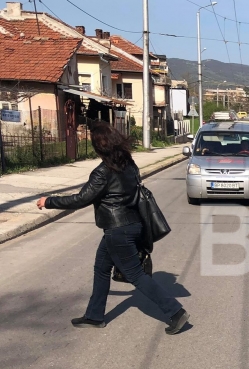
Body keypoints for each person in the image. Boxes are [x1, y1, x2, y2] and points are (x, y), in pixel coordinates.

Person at [35, 121, 189, 335]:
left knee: (136, 276)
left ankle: (176, 312)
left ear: (99, 147)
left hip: (118, 230)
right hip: (129, 225)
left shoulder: (103, 172)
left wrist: (49, 201)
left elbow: (81, 199)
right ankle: (94, 316)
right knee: (101, 268)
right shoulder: (129, 164)